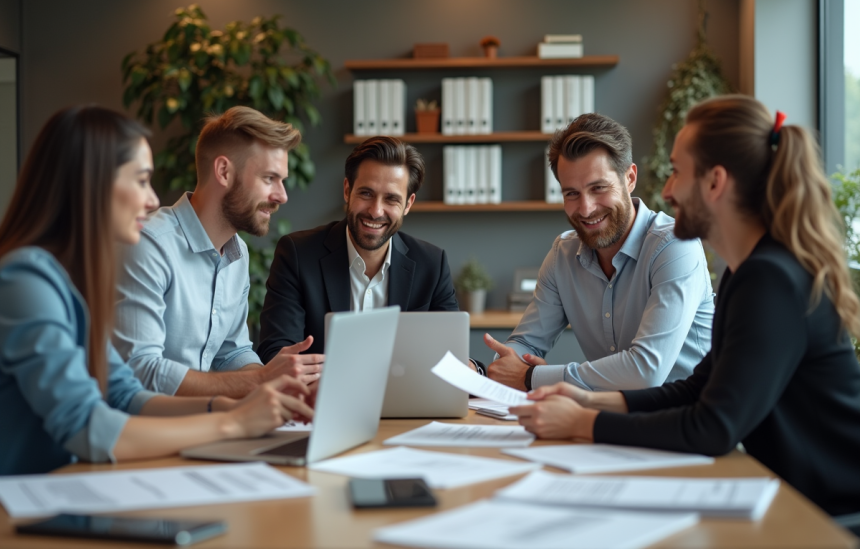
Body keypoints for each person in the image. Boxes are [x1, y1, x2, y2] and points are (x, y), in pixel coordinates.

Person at [511, 95, 860, 518]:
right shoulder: (745, 272)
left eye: (677, 171)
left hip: (832, 517)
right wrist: (586, 401)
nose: (667, 189)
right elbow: (698, 389)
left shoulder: (770, 279)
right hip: (793, 499)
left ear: (715, 182)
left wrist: (582, 423)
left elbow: (712, 427)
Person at [0, 106, 314, 475]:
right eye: (141, 180)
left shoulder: (70, 282)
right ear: (92, 183)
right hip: (21, 508)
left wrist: (229, 407)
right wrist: (233, 423)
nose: (152, 200)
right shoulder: (24, 280)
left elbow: (123, 394)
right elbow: (88, 427)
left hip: (68, 483)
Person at [485, 113, 714, 391]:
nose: (586, 208)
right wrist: (508, 364)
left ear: (629, 178)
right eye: (571, 193)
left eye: (598, 188)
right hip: (611, 418)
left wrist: (531, 378)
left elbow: (646, 370)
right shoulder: (563, 256)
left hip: (686, 423)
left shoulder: (676, 245)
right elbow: (525, 343)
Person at [113, 106, 324, 398]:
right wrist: (258, 381)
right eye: (269, 179)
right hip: (147, 433)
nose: (282, 196)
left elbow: (231, 353)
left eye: (282, 180)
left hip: (203, 426)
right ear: (224, 171)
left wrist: (282, 385)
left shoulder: (237, 254)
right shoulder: (149, 245)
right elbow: (141, 370)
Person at [257, 136, 463, 364]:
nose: (376, 211)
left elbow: (454, 359)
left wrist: (476, 370)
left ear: (408, 204)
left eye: (391, 199)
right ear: (347, 190)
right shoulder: (297, 254)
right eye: (366, 193)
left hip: (404, 399)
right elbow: (276, 352)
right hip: (318, 396)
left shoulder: (432, 264)